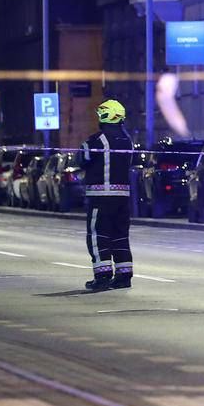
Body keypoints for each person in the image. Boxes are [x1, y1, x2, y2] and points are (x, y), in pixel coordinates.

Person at [81, 99, 134, 291]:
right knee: (120, 236)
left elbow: (83, 159)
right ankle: (123, 276)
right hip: (123, 198)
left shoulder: (97, 140)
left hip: (101, 197)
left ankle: (102, 276)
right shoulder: (128, 141)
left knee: (98, 236)